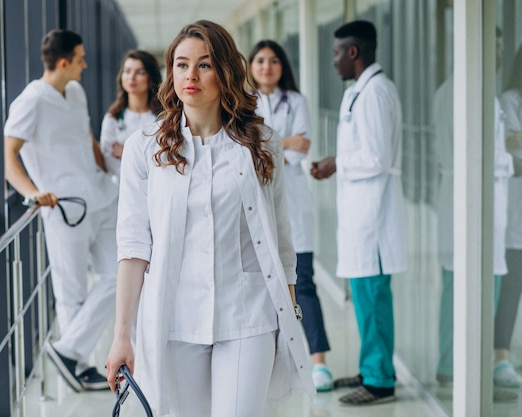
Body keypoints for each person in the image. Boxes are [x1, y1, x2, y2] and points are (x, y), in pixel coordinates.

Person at [105, 20, 316, 417]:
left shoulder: (261, 141)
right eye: (182, 64)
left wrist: (289, 316)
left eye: (205, 65)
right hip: (174, 320)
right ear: (170, 72)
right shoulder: (143, 148)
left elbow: (282, 239)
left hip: (248, 315)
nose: (191, 75)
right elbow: (133, 247)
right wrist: (121, 336)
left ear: (226, 72)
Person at [4, 29, 117, 392]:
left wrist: (108, 172)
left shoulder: (77, 91)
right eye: (81, 58)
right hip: (65, 208)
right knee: (71, 292)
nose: (86, 64)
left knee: (122, 274)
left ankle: (68, 351)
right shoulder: (31, 100)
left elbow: (88, 139)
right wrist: (34, 193)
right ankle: (78, 369)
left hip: (100, 197)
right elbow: (9, 157)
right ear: (64, 61)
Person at [310, 20, 407, 405]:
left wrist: (337, 163)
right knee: (366, 300)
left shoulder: (377, 93)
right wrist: (337, 164)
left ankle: (381, 380)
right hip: (360, 215)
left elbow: (378, 157)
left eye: (336, 54)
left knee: (374, 300)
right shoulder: (359, 92)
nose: (333, 61)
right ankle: (372, 369)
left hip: (375, 219)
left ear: (354, 52)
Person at [433, 30, 518, 398]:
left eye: (500, 47)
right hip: (471, 203)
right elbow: (487, 153)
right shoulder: (468, 92)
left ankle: (457, 368)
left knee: (467, 286)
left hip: (476, 202)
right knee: (471, 290)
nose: (497, 53)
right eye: (492, 45)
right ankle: (463, 372)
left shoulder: (470, 91)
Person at [248, 39, 333, 392]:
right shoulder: (243, 103)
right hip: (254, 204)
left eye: (274, 60)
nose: (267, 67)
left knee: (305, 284)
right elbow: (248, 150)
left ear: (283, 66)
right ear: (250, 67)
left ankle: (319, 364)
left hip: (294, 203)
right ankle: (268, 361)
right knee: (261, 286)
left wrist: (267, 144)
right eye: (260, 61)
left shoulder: (297, 101)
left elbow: (301, 151)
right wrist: (283, 142)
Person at [495, 43, 522, 388]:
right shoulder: (510, 99)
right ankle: (500, 356)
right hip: (516, 211)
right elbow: (512, 142)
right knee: (511, 286)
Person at [100, 49, 163, 186]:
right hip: (121, 190)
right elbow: (110, 163)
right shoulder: (113, 118)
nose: (131, 77)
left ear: (151, 78)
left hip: (156, 189)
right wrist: (145, 156)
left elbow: (164, 161)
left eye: (140, 72)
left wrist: (126, 153)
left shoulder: (163, 118)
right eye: (127, 71)